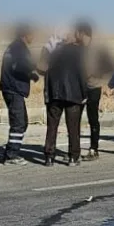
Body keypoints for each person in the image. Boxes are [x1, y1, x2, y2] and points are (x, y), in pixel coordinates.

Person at [42, 25, 88, 167]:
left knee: (52, 126)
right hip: (73, 94)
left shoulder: (53, 52)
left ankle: (49, 156)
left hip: (54, 94)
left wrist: (47, 93)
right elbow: (81, 73)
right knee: (73, 127)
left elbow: (47, 74)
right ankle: (73, 157)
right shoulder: (78, 51)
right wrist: (84, 93)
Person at [0, 23, 39, 165]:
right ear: (25, 34)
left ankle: (12, 150)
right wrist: (34, 68)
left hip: (12, 88)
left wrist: (31, 75)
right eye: (32, 33)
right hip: (13, 89)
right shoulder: (18, 48)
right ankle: (11, 155)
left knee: (22, 122)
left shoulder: (16, 47)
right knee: (19, 123)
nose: (34, 37)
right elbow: (20, 66)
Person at [78, 23, 114, 161]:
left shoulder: (96, 51)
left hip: (94, 87)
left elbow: (107, 68)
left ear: (85, 34)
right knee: (76, 119)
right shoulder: (80, 49)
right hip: (81, 88)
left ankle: (94, 149)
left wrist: (94, 73)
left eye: (80, 34)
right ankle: (74, 150)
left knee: (93, 118)